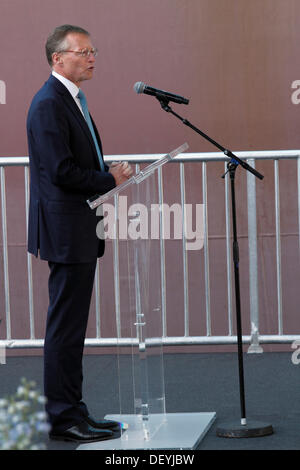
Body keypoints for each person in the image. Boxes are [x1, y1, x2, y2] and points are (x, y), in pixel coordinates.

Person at [26, 24, 132, 443]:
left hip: (77, 228)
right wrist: (109, 178)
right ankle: (62, 417)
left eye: (94, 51)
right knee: (65, 328)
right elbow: (60, 171)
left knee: (70, 327)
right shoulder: (49, 103)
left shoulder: (70, 99)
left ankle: (74, 410)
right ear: (58, 58)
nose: (92, 58)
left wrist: (106, 177)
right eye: (83, 51)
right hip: (66, 230)